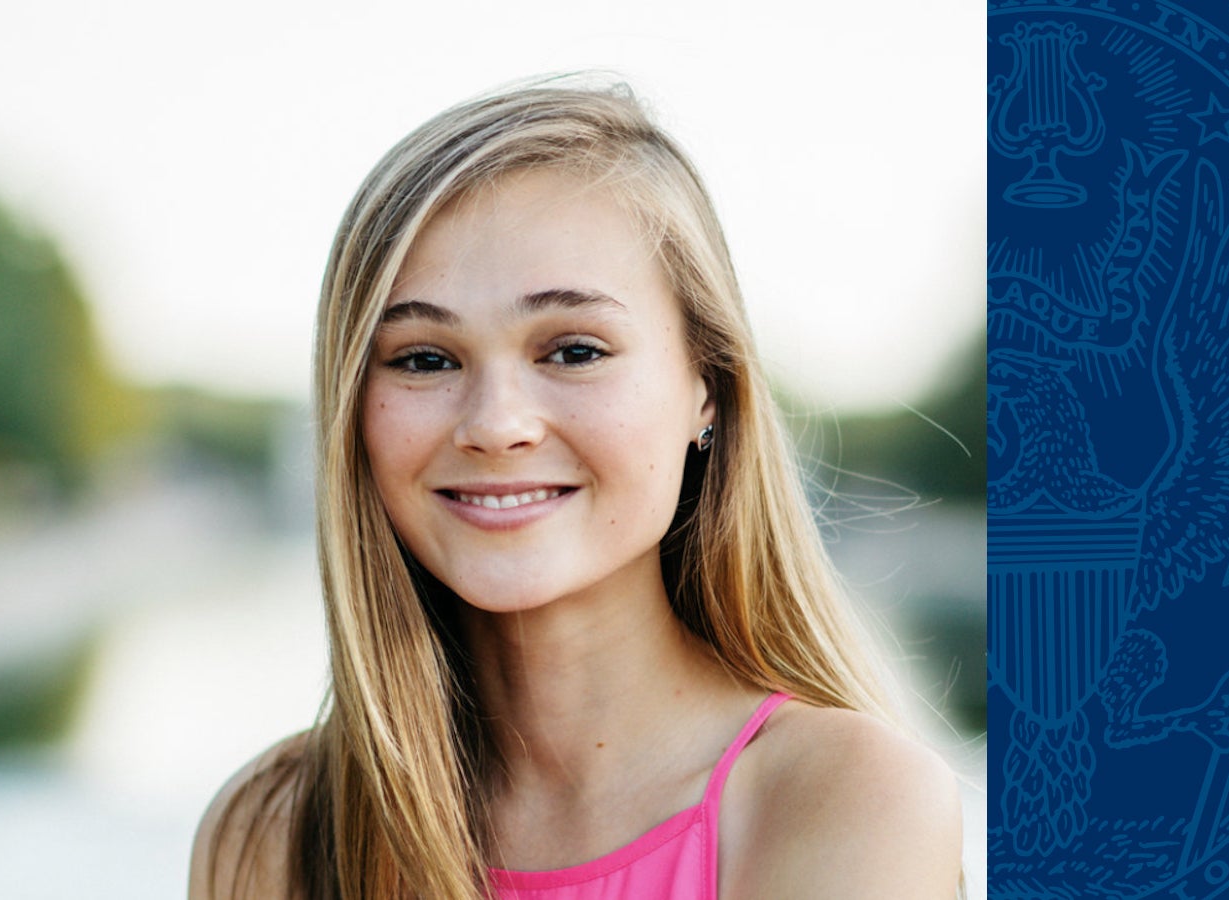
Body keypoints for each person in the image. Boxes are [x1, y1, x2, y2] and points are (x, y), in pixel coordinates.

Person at [189, 78, 963, 899]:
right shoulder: (274, 831)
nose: (495, 424)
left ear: (706, 387)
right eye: (424, 358)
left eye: (574, 350)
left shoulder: (844, 801)